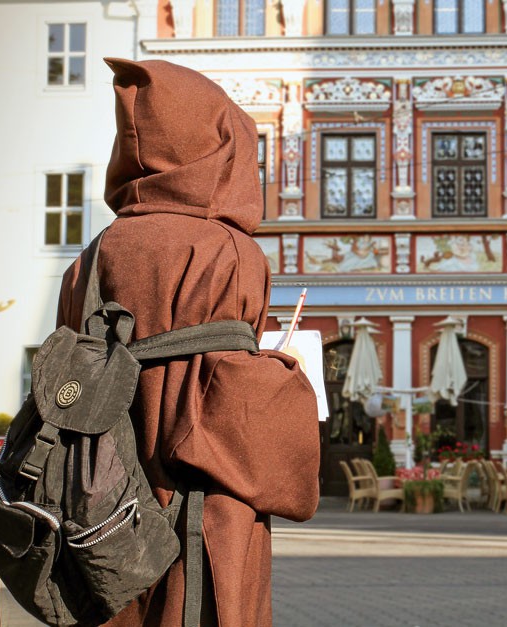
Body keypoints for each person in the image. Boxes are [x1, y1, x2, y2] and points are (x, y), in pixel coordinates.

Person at [57, 58, 321, 626]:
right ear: (217, 146)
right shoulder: (229, 252)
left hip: (97, 506)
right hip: (200, 511)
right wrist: (288, 376)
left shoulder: (90, 259)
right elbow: (234, 409)